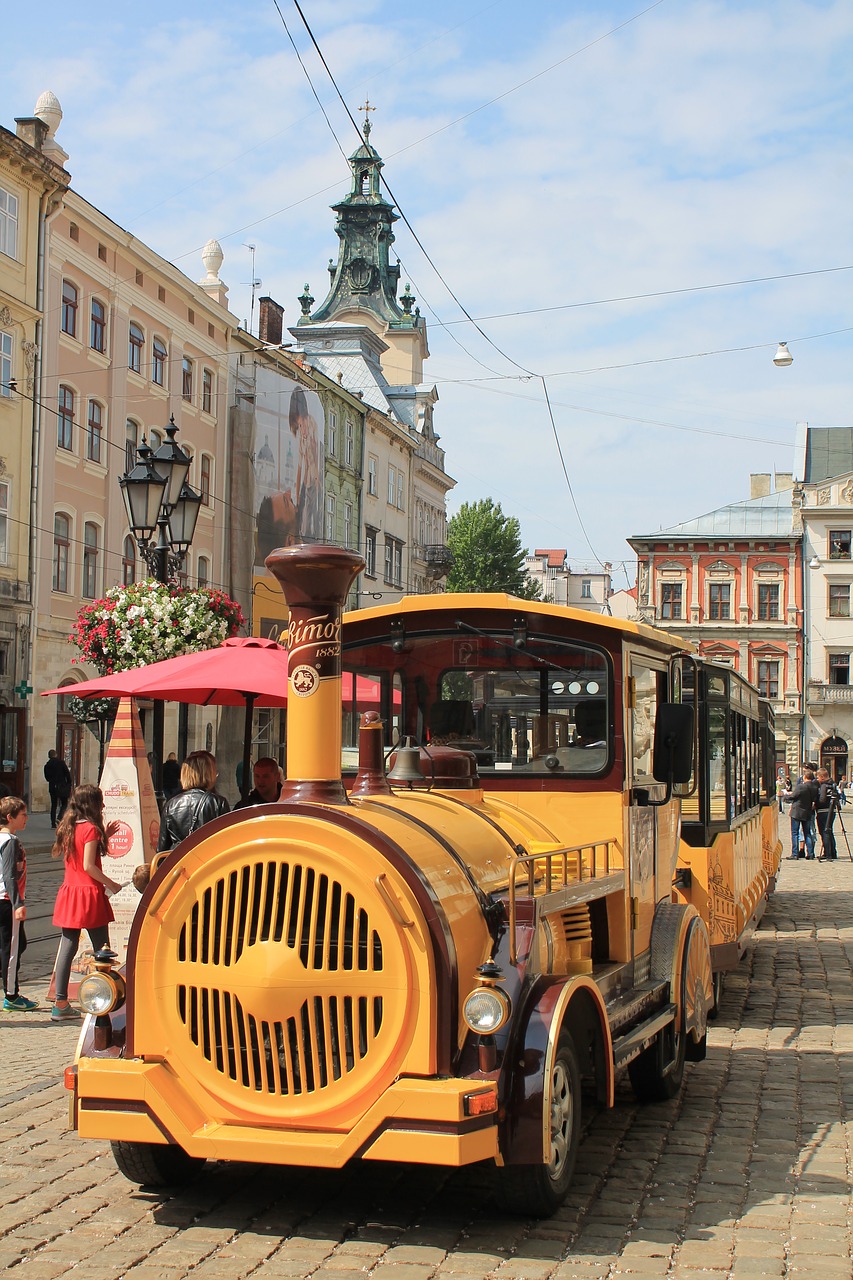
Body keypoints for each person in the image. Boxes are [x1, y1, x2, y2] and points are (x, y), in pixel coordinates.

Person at [51, 785, 121, 1021]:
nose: (103, 806)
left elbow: (79, 853)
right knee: (103, 950)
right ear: (92, 804)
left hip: (70, 892)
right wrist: (111, 884)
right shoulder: (91, 829)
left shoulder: (68, 826)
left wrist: (105, 836)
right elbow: (88, 866)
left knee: (67, 948)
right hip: (89, 894)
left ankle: (60, 1003)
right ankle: (108, 999)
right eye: (100, 802)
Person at [0, 796, 38, 1011]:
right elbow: (10, 875)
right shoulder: (10, 842)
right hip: (7, 900)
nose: (27, 819)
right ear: (9, 817)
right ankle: (12, 996)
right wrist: (18, 903)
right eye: (23, 815)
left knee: (19, 944)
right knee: (11, 949)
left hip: (3, 899)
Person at [157, 751, 229, 852]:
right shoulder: (218, 802)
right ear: (209, 773)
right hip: (207, 862)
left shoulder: (171, 804)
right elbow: (226, 842)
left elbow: (162, 847)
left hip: (179, 863)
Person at [784, 769, 819, 859]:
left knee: (795, 833)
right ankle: (810, 853)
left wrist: (785, 796)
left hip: (797, 811)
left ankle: (795, 853)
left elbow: (793, 796)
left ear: (805, 777)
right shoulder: (815, 787)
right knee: (807, 833)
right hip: (807, 811)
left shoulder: (801, 786)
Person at [43, 749, 72, 827]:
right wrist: (69, 783)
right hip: (61, 785)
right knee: (64, 803)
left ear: (49, 756)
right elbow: (67, 773)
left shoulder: (47, 765)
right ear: (56, 755)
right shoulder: (61, 763)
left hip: (52, 786)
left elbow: (47, 778)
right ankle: (59, 817)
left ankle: (53, 823)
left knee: (54, 804)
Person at [815, 769, 839, 861]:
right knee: (829, 832)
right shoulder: (833, 784)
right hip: (832, 811)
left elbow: (822, 799)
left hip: (823, 811)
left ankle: (828, 854)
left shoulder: (824, 786)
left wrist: (816, 804)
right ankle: (833, 852)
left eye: (818, 777)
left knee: (824, 832)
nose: (817, 779)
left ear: (822, 777)